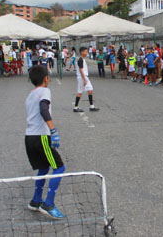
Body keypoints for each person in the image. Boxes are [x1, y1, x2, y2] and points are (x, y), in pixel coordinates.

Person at [25, 65, 66, 219]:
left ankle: (35, 201)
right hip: (41, 136)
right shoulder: (45, 91)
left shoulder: (30, 94)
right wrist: (53, 130)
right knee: (59, 167)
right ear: (46, 79)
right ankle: (48, 203)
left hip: (29, 137)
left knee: (43, 167)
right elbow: (44, 109)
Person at [74, 47, 99, 112]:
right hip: (82, 77)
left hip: (84, 77)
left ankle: (91, 106)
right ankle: (76, 107)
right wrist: (84, 79)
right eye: (86, 51)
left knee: (90, 90)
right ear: (82, 52)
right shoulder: (80, 60)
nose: (87, 53)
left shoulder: (83, 59)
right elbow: (81, 70)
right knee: (80, 92)